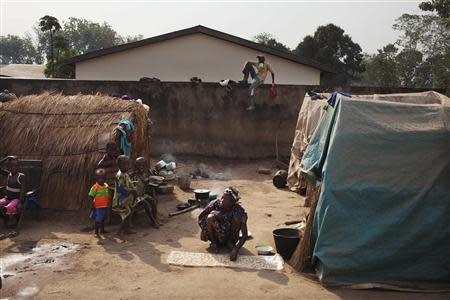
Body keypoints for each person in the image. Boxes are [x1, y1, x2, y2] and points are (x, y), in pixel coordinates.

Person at [198, 187, 248, 261]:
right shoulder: (215, 204)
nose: (222, 200)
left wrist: (236, 250)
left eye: (225, 199)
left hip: (231, 237)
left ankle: (229, 242)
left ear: (232, 202)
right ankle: (214, 243)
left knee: (237, 218)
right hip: (216, 235)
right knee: (210, 217)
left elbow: (244, 235)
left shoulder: (239, 211)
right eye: (222, 197)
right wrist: (217, 216)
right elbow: (201, 218)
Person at [130, 157, 160, 228]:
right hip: (135, 197)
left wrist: (148, 181)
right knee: (146, 204)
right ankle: (153, 221)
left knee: (153, 201)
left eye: (143, 165)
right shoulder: (133, 175)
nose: (141, 167)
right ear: (136, 166)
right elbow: (132, 186)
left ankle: (155, 219)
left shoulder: (143, 174)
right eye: (139, 165)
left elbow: (145, 183)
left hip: (142, 195)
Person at [113, 155, 137, 236]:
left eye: (127, 164)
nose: (126, 166)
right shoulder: (120, 175)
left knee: (130, 211)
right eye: (124, 164)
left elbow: (128, 183)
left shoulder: (125, 174)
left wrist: (133, 185)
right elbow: (121, 189)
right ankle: (119, 231)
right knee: (126, 213)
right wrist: (131, 190)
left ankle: (127, 229)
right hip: (121, 199)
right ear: (119, 165)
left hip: (127, 198)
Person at [0, 156, 25, 227]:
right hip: (7, 198)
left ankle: (16, 221)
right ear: (8, 167)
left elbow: (23, 189)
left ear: (18, 167)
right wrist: (7, 157)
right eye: (10, 166)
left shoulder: (21, 176)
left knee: (10, 206)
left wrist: (20, 202)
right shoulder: (8, 174)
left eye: (15, 166)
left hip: (16, 199)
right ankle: (6, 218)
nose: (12, 168)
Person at [88, 168, 111, 237]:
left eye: (103, 178)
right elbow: (91, 196)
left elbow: (107, 194)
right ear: (96, 178)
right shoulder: (95, 187)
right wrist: (92, 205)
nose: (101, 180)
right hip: (98, 206)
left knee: (103, 218)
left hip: (104, 206)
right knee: (98, 219)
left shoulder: (106, 186)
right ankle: (96, 231)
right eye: (99, 178)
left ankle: (102, 230)